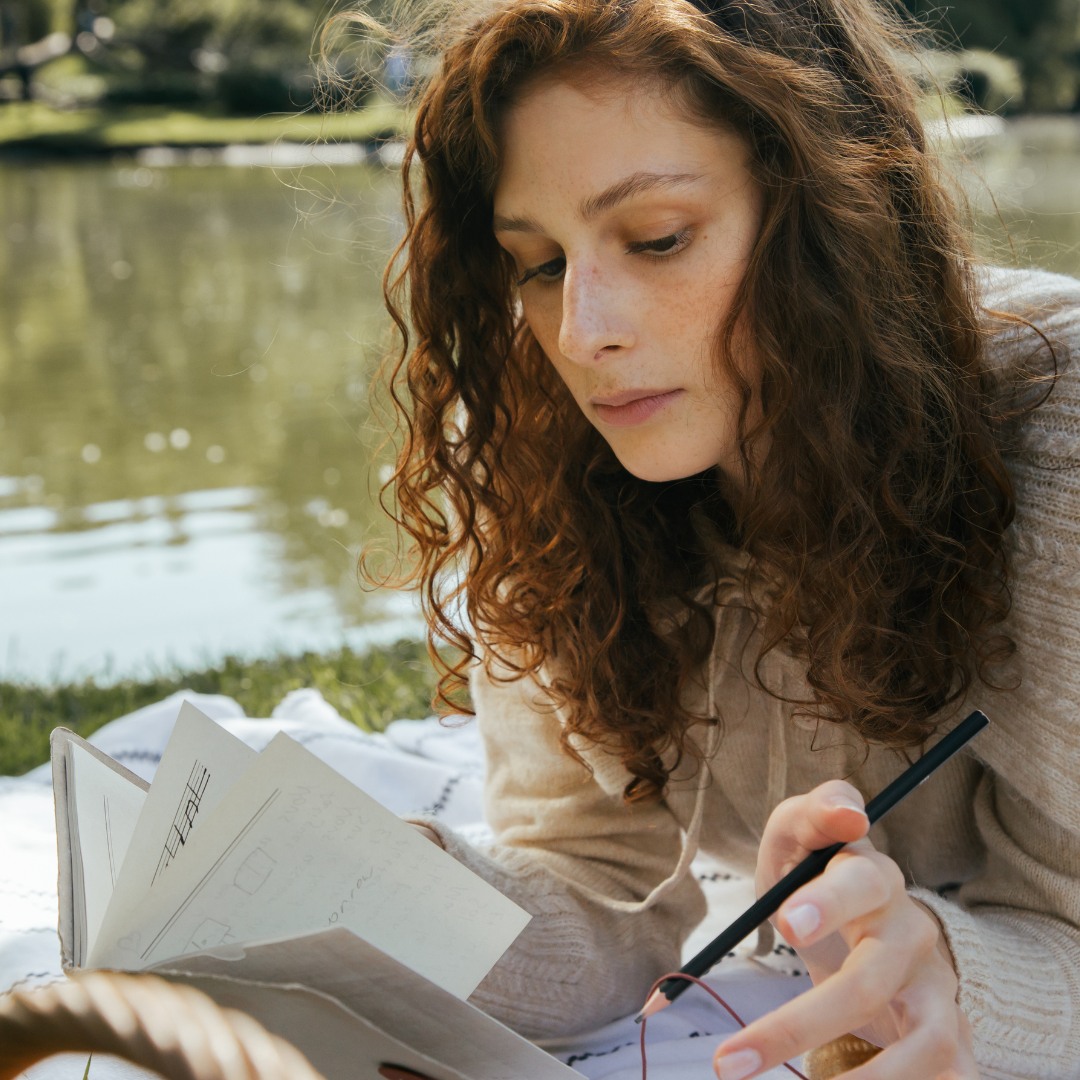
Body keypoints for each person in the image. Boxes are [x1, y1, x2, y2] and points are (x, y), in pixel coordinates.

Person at [368, 0, 1080, 1076]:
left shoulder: (1062, 440)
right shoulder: (538, 452)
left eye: (658, 238)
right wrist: (366, 895)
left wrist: (944, 972)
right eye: (541, 262)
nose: (583, 329)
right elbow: (602, 885)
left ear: (835, 215)